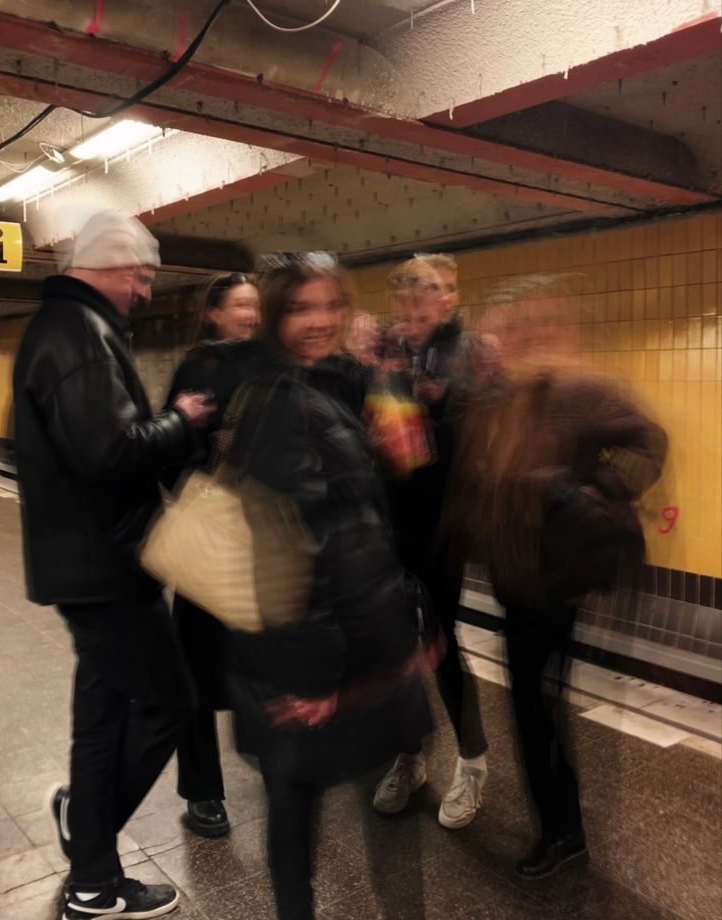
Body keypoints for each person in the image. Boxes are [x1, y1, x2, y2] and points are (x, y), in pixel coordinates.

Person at [209, 254, 432, 920]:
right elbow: (293, 551)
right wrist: (311, 678)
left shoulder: (320, 384)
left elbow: (398, 473)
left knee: (308, 800)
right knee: (298, 802)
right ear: (275, 315)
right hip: (318, 658)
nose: (321, 320)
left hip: (349, 644)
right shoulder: (280, 401)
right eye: (301, 308)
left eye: (331, 305)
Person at [12, 210, 213, 920]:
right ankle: (90, 850)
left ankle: (93, 871)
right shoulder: (81, 338)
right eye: (143, 276)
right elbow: (110, 453)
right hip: (107, 567)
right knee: (169, 705)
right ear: (113, 266)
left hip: (86, 564)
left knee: (100, 718)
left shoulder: (61, 329)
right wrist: (182, 421)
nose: (146, 291)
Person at [448, 277, 667, 878]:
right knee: (534, 706)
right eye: (516, 326)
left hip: (558, 578)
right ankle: (563, 824)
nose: (525, 336)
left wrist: (593, 496)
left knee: (534, 707)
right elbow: (475, 483)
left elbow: (649, 443)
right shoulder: (500, 397)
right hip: (515, 573)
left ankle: (563, 830)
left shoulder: (584, 390)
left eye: (539, 325)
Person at [373, 256, 490, 830]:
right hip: (391, 522)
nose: (427, 299)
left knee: (441, 647)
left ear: (452, 296)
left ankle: (472, 765)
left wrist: (434, 402)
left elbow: (474, 441)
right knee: (395, 650)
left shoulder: (472, 353)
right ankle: (410, 754)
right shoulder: (387, 352)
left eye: (439, 289)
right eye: (415, 289)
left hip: (443, 527)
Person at [164, 272, 260, 838]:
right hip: (209, 537)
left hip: (263, 540)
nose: (251, 313)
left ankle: (275, 761)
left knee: (265, 661)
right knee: (196, 669)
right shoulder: (196, 367)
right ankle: (202, 792)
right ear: (214, 314)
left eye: (256, 304)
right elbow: (169, 444)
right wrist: (203, 468)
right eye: (240, 305)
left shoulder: (276, 364)